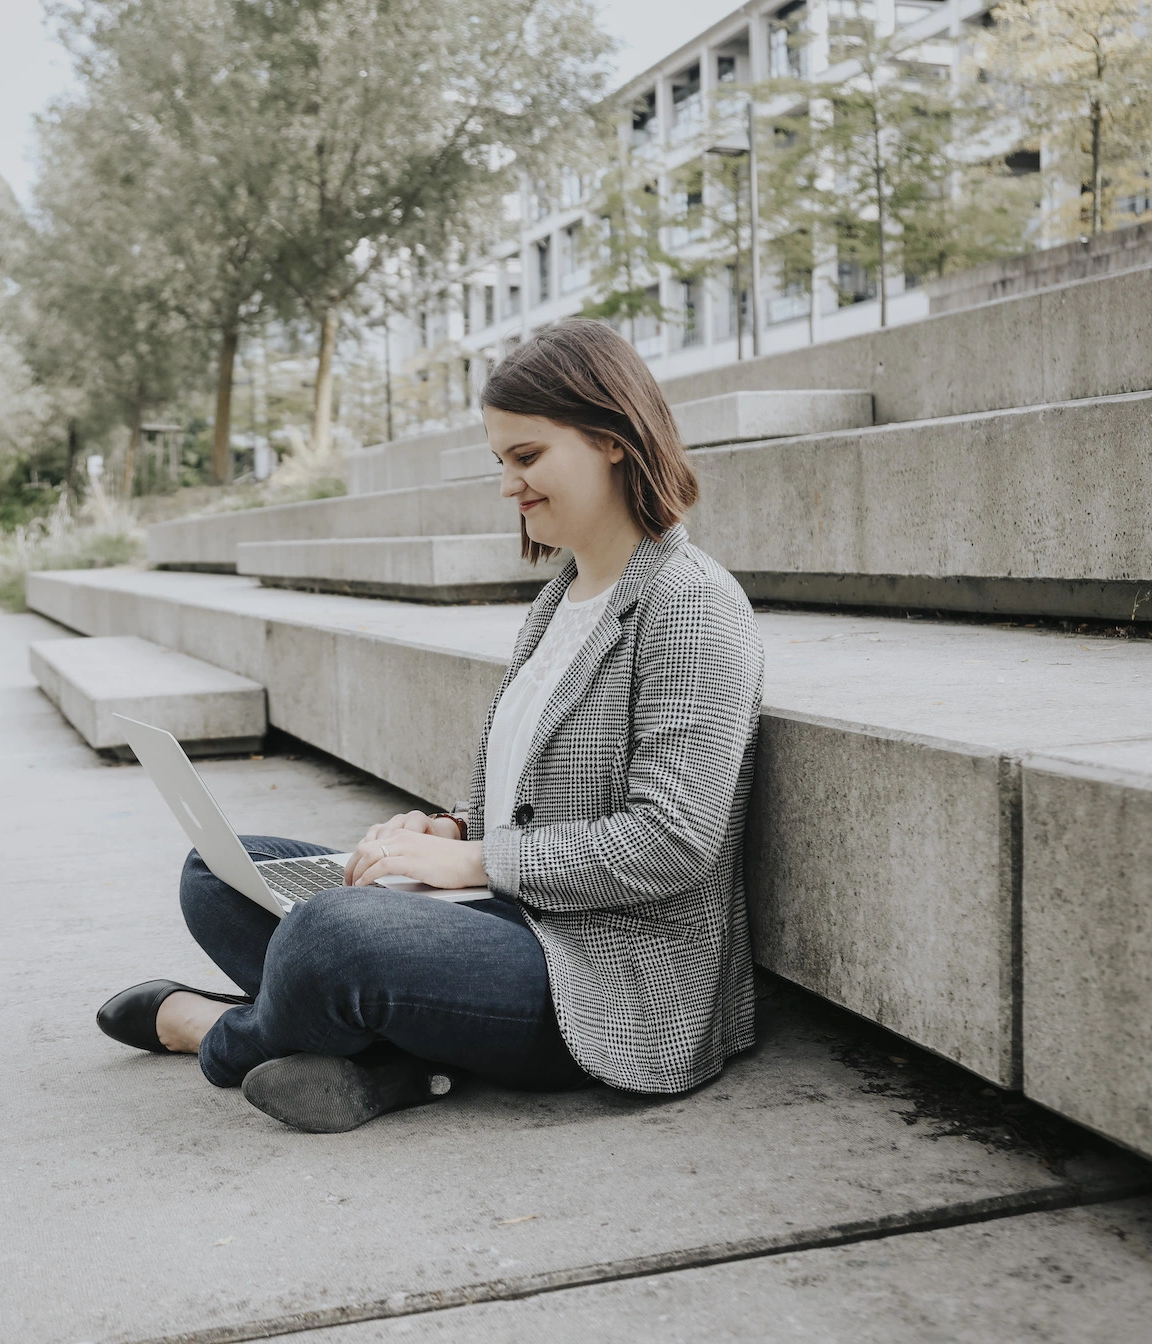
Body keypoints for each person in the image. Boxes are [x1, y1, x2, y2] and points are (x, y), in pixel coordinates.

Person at [95, 318, 766, 1132]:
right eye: (500, 462)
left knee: (331, 937)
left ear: (612, 438)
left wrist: (471, 861)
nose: (508, 484)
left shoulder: (690, 605)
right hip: (511, 918)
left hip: (603, 975)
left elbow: (674, 841)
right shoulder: (561, 596)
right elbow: (533, 798)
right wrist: (449, 832)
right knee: (217, 873)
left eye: (527, 457)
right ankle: (391, 1062)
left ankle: (216, 1031)